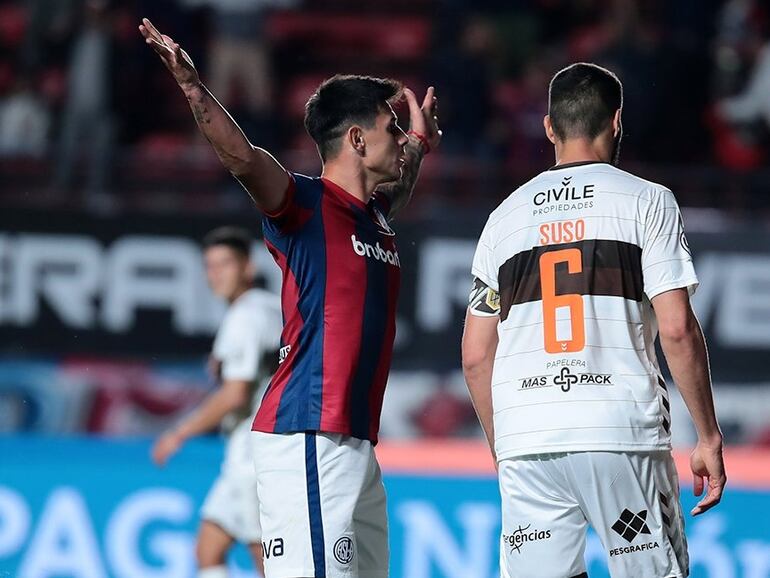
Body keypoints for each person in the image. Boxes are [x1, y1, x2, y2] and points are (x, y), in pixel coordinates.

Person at [139, 17, 441, 578]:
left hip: (353, 440)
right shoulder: (303, 203)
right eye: (392, 128)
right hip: (308, 431)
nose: (401, 137)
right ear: (356, 139)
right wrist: (192, 87)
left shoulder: (373, 217)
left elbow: (395, 193)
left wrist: (418, 145)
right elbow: (243, 159)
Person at [462, 62, 726, 578]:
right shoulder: (647, 201)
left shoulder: (503, 218)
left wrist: (506, 449)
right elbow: (676, 329)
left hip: (528, 440)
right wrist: (709, 436)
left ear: (549, 128)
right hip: (618, 431)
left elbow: (475, 356)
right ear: (617, 121)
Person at [151, 226, 282, 578]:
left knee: (267, 558)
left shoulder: (244, 317)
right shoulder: (271, 307)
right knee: (208, 548)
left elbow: (235, 393)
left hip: (253, 455)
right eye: (209, 266)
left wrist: (179, 432)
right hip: (260, 447)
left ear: (247, 267)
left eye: (225, 264)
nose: (216, 274)